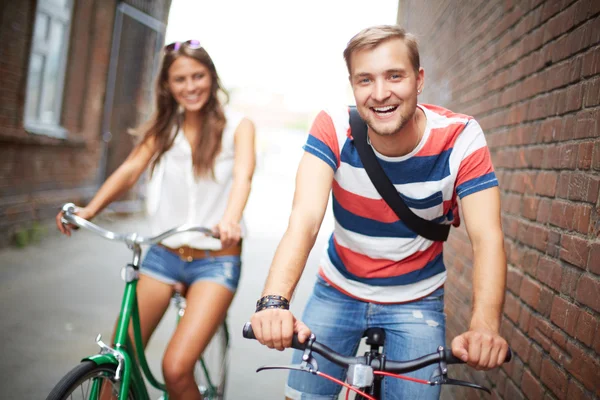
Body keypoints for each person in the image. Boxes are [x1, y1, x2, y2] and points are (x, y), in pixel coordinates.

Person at [250, 25, 508, 400]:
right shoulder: (334, 126)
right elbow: (305, 219)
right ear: (352, 86)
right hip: (337, 289)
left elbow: (487, 238)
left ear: (419, 80)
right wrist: (273, 302)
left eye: (394, 76)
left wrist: (484, 325)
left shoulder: (460, 138)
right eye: (365, 80)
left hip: (416, 298)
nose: (380, 93)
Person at [56, 39, 256, 400]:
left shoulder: (237, 126)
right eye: (180, 79)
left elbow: (243, 176)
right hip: (163, 256)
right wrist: (89, 210)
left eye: (198, 76)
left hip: (216, 260)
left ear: (212, 77)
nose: (191, 86)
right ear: (167, 85)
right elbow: (131, 169)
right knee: (117, 359)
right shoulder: (165, 129)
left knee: (176, 368)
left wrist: (230, 218)